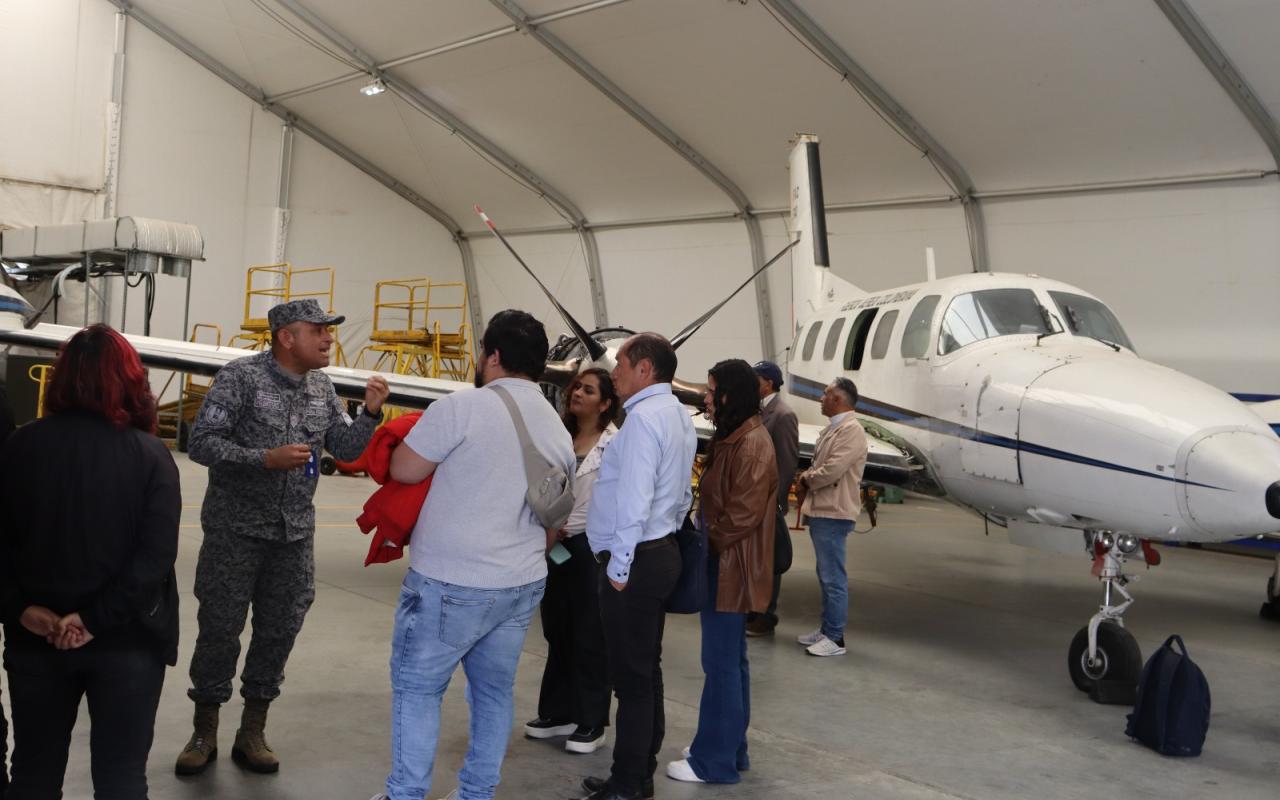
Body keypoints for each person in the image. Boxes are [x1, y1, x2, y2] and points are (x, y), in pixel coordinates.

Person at [178, 299, 389, 776]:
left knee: (278, 631)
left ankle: (252, 730)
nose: (329, 338)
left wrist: (370, 415)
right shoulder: (241, 378)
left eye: (329, 331)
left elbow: (347, 449)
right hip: (236, 530)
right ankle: (203, 729)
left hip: (294, 535)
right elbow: (202, 444)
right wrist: (262, 459)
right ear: (286, 337)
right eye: (319, 331)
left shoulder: (322, 386)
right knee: (220, 628)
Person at [370, 309, 575, 800]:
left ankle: (406, 794)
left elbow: (405, 470)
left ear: (494, 355)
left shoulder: (461, 408)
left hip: (451, 582)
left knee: (419, 691)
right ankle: (477, 793)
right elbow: (556, 515)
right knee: (492, 693)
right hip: (520, 582)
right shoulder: (556, 426)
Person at [0, 324, 181, 799]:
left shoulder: (19, 446)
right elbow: (154, 558)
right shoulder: (152, 456)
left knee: (33, 773)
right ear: (131, 379)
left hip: (35, 638)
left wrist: (21, 608)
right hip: (126, 643)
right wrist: (93, 619)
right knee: (121, 777)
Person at [577, 333, 696, 800]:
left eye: (621, 364)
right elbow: (682, 493)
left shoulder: (645, 420)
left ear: (645, 369)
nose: (614, 373)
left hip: (637, 561)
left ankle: (628, 784)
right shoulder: (676, 415)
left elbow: (634, 500)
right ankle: (637, 771)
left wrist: (619, 568)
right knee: (646, 672)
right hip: (659, 550)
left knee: (632, 679)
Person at [666, 359, 776, 786]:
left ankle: (714, 762)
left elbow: (741, 516)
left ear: (730, 394)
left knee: (722, 665)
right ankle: (731, 746)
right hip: (727, 563)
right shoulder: (737, 438)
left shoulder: (752, 444)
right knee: (731, 663)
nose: (705, 397)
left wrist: (699, 548)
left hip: (730, 568)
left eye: (711, 390)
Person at [526, 368, 619, 754]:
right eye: (576, 387)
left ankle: (592, 721)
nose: (577, 393)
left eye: (588, 389)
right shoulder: (560, 437)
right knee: (557, 629)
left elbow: (611, 500)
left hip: (587, 547)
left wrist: (568, 525)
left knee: (588, 635)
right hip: (554, 545)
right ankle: (557, 710)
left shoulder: (614, 444)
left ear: (606, 403)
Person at [794, 378, 868, 658]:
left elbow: (831, 470)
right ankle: (827, 629)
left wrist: (805, 478)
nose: (820, 399)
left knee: (833, 577)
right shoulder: (833, 429)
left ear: (839, 400)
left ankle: (835, 638)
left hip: (834, 512)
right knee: (825, 575)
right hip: (823, 509)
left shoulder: (851, 431)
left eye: (826, 395)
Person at [745, 361, 799, 638]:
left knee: (769, 563)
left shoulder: (783, 414)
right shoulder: (759, 411)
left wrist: (776, 502)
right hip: (753, 503)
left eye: (754, 378)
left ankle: (765, 616)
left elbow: (787, 462)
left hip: (768, 503)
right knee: (755, 561)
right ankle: (752, 611)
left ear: (767, 382)